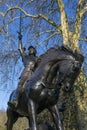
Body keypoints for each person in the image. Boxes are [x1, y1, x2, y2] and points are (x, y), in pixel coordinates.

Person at [8, 34, 37, 107]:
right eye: (29, 49)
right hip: (25, 74)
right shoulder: (25, 57)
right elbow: (20, 49)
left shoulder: (37, 59)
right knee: (20, 85)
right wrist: (20, 39)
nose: (30, 50)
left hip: (34, 75)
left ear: (34, 51)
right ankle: (16, 100)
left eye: (32, 49)